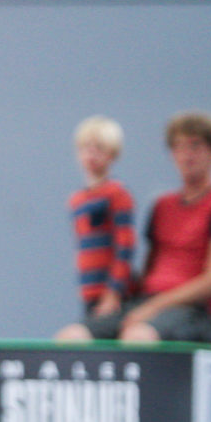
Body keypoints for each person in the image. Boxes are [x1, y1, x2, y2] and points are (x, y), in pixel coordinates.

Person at [57, 111, 211, 344]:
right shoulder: (161, 206)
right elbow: (149, 267)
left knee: (138, 336)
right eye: (179, 147)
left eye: (195, 146)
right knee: (72, 336)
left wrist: (154, 307)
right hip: (145, 303)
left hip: (197, 312)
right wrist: (116, 296)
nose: (187, 156)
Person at [53, 116, 136, 338]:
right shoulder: (77, 199)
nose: (91, 154)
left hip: (112, 295)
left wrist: (114, 292)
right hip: (89, 290)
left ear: (112, 154)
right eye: (85, 148)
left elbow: (125, 246)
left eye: (99, 148)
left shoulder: (117, 194)